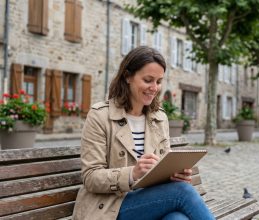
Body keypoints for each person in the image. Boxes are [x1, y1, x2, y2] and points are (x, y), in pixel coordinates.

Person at [73, 46, 215, 220]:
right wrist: (132, 173)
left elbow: (162, 167)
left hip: (148, 204)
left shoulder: (159, 117)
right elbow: (90, 177)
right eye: (148, 80)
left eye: (159, 81)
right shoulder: (100, 116)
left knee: (177, 219)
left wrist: (175, 176)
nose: (154, 88)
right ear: (127, 76)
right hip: (110, 208)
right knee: (183, 192)